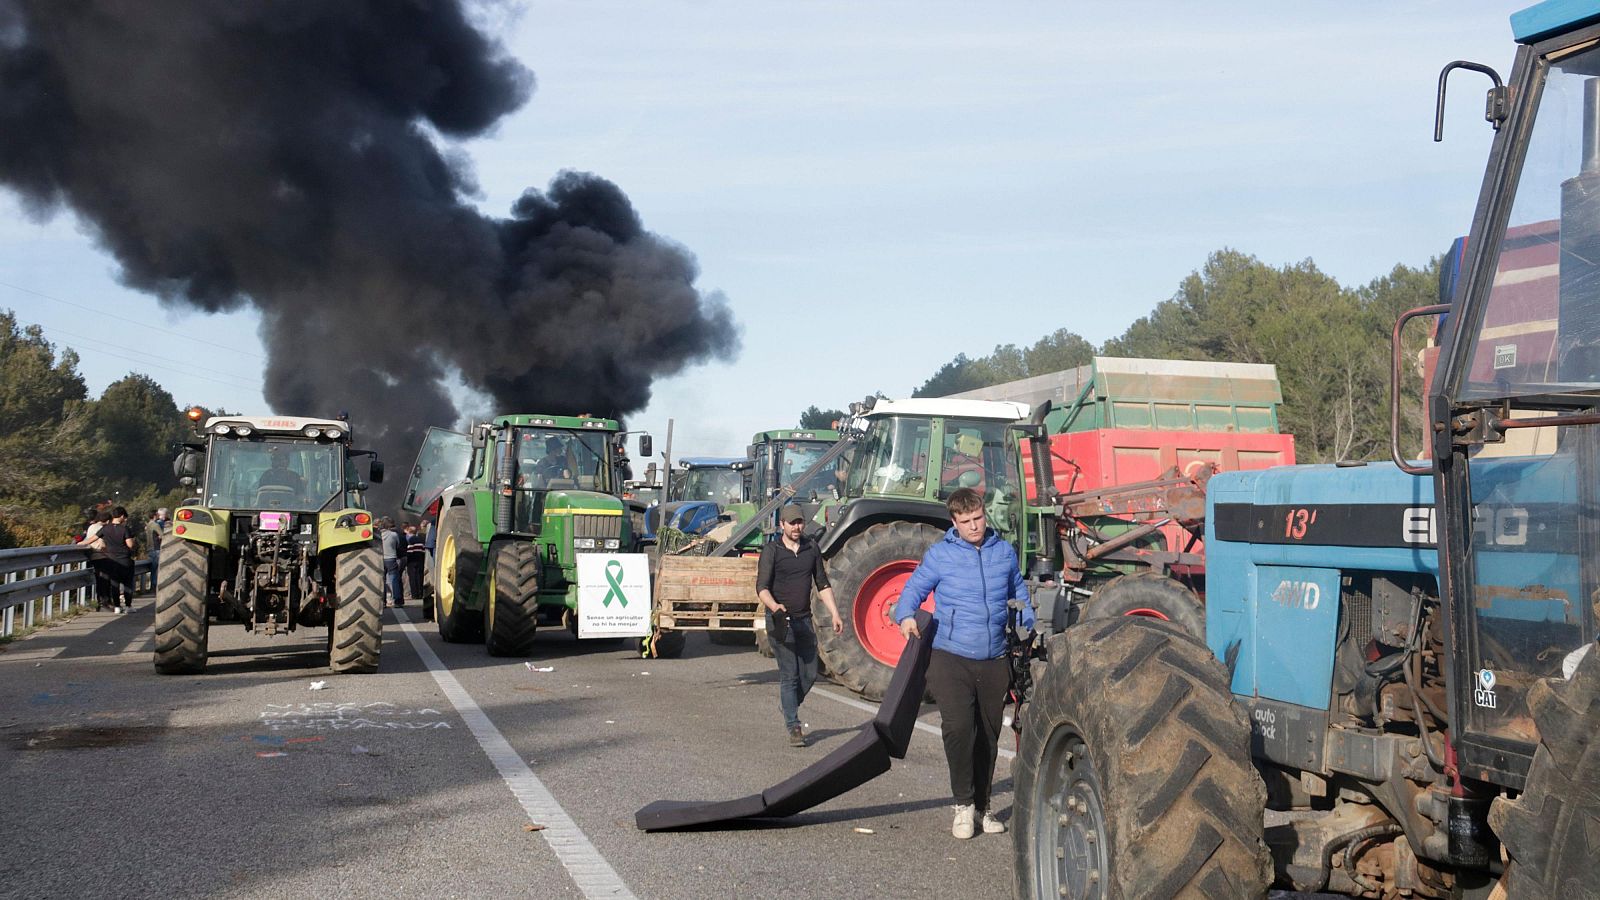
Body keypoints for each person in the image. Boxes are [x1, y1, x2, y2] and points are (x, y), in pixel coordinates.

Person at [894, 487, 1033, 840]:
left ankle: (984, 808)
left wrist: (1029, 622)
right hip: (949, 656)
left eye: (979, 518)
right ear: (954, 522)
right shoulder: (941, 555)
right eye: (966, 521)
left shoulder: (1003, 551)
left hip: (994, 658)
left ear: (985, 514)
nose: (974, 526)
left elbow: (1018, 591)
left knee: (988, 734)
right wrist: (905, 615)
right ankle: (963, 805)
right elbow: (912, 590)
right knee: (958, 729)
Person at [756, 504, 843, 748]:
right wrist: (775, 607)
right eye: (792, 523)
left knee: (809, 673)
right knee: (789, 673)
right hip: (780, 620)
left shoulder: (810, 548)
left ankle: (788, 704)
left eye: (800, 522)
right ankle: (794, 726)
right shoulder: (772, 551)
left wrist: (835, 613)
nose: (797, 527)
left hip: (804, 619)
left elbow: (822, 584)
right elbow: (762, 587)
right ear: (781, 524)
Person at [93, 506, 138, 613]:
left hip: (111, 560)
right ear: (122, 516)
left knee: (114, 584)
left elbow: (92, 539)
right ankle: (128, 606)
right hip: (125, 560)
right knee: (127, 584)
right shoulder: (125, 529)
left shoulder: (105, 528)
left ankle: (117, 607)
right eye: (125, 517)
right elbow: (130, 545)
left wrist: (80, 543)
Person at [380, 518, 404, 607]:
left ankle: (383, 602)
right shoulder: (394, 535)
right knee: (394, 579)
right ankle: (397, 601)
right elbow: (398, 545)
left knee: (382, 580)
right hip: (391, 558)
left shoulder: (378, 535)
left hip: (381, 559)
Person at [144, 508, 169, 587]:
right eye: (157, 514)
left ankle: (152, 585)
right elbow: (162, 535)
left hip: (150, 548)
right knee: (157, 569)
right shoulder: (156, 525)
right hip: (156, 548)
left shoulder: (148, 524)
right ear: (155, 515)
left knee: (153, 569)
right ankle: (155, 585)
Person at [404, 523, 426, 609]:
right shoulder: (420, 539)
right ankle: (420, 593)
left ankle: (414, 594)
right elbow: (423, 551)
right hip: (420, 560)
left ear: (409, 532)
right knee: (420, 577)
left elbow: (409, 552)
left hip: (412, 561)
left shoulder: (411, 540)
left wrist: (408, 560)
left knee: (412, 578)